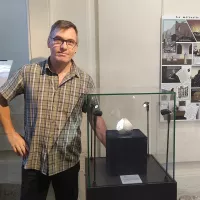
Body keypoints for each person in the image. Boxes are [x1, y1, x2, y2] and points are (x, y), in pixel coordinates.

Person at [0, 20, 107, 200]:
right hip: (33, 161)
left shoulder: (85, 82)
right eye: (58, 40)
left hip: (67, 162)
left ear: (76, 47)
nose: (63, 46)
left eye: (69, 42)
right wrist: (11, 133)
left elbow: (95, 119)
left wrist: (115, 150)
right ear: (49, 42)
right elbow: (2, 97)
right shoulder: (28, 72)